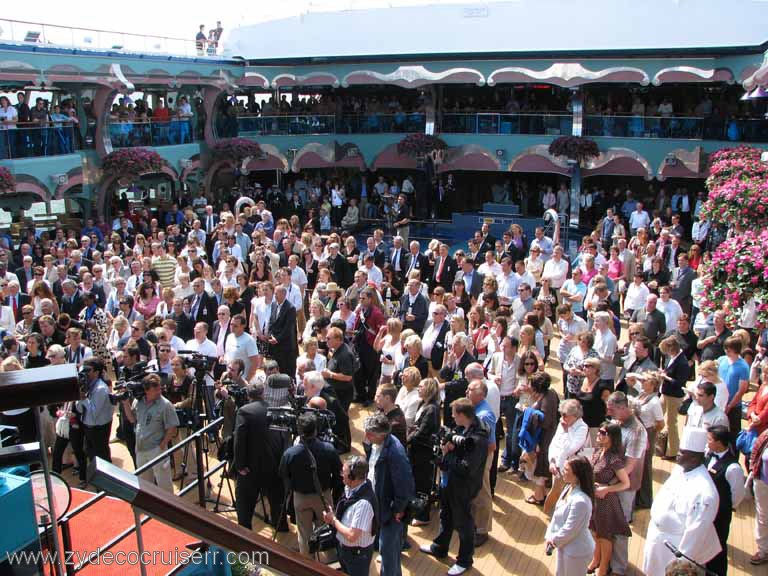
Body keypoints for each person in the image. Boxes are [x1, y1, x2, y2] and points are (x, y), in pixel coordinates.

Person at [420, 398, 489, 576]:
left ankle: (465, 560)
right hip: (448, 482)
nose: (451, 417)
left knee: (464, 523)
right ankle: (440, 547)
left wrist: (446, 455)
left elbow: (467, 468)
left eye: (453, 414)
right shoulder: (461, 428)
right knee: (445, 516)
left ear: (461, 415)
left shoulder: (478, 438)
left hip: (463, 487)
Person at [643, 427, 721, 576]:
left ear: (694, 458)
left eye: (682, 452)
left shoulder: (704, 492)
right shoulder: (680, 470)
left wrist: (681, 562)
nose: (677, 454)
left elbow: (696, 531)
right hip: (658, 540)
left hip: (676, 548)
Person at [279, 413, 343, 555]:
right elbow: (339, 474)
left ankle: (307, 564)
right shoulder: (328, 449)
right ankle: (329, 562)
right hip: (323, 496)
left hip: (301, 497)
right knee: (327, 530)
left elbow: (283, 474)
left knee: (304, 534)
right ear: (315, 430)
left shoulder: (290, 453)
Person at [362, 414, 414, 576]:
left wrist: (398, 509)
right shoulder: (377, 444)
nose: (366, 436)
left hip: (389, 510)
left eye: (369, 434)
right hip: (377, 502)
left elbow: (404, 484)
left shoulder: (395, 453)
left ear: (381, 434)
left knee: (388, 551)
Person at [233, 383, 287, 530]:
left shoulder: (244, 411)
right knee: (276, 498)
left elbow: (239, 440)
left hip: (251, 466)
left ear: (248, 395)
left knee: (245, 499)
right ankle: (280, 526)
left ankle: (244, 529)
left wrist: (240, 466)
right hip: (274, 463)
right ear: (263, 393)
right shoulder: (275, 409)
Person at [120, 374, 179, 492]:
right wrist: (125, 403)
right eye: (155, 390)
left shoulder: (165, 405)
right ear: (146, 391)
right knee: (145, 484)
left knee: (164, 484)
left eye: (159, 389)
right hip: (141, 449)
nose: (158, 392)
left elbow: (172, 428)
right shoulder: (138, 402)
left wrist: (162, 445)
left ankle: (169, 508)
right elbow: (132, 419)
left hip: (156, 449)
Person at [322, 456, 377, 576]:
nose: (342, 475)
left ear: (353, 477)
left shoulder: (364, 504)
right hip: (345, 550)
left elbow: (352, 536)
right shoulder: (351, 488)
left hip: (356, 555)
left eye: (345, 473)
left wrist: (333, 520)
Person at [588, 421, 631, 576]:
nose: (599, 434)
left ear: (611, 437)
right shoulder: (598, 450)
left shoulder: (614, 459)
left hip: (606, 501)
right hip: (595, 498)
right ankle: (595, 559)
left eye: (603, 432)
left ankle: (603, 567)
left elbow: (626, 483)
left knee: (605, 535)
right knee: (595, 530)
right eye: (599, 431)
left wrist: (607, 489)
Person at [544, 456, 596, 576]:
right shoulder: (569, 487)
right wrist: (550, 537)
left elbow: (570, 529)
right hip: (566, 547)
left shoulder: (581, 501)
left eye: (567, 470)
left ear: (577, 475)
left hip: (577, 552)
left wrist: (554, 540)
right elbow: (557, 514)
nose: (563, 471)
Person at [705, 425, 746, 576]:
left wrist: (724, 507)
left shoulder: (733, 468)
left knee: (717, 548)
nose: (707, 441)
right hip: (706, 512)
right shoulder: (708, 454)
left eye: (709, 439)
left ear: (719, 442)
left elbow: (737, 495)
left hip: (720, 515)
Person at [74, 358, 113, 489]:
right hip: (88, 427)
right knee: (91, 455)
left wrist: (84, 399)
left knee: (102, 457)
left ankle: (107, 486)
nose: (85, 373)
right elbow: (80, 410)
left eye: (88, 370)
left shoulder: (101, 388)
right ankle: (100, 485)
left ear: (96, 372)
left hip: (99, 428)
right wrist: (80, 398)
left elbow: (94, 413)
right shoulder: (87, 385)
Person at [267, 284, 298, 379]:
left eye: (277, 294)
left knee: (287, 372)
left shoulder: (290, 308)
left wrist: (277, 339)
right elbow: (271, 322)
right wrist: (270, 336)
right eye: (274, 294)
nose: (275, 295)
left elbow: (288, 328)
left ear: (284, 294)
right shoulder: (273, 305)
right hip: (275, 346)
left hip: (286, 347)